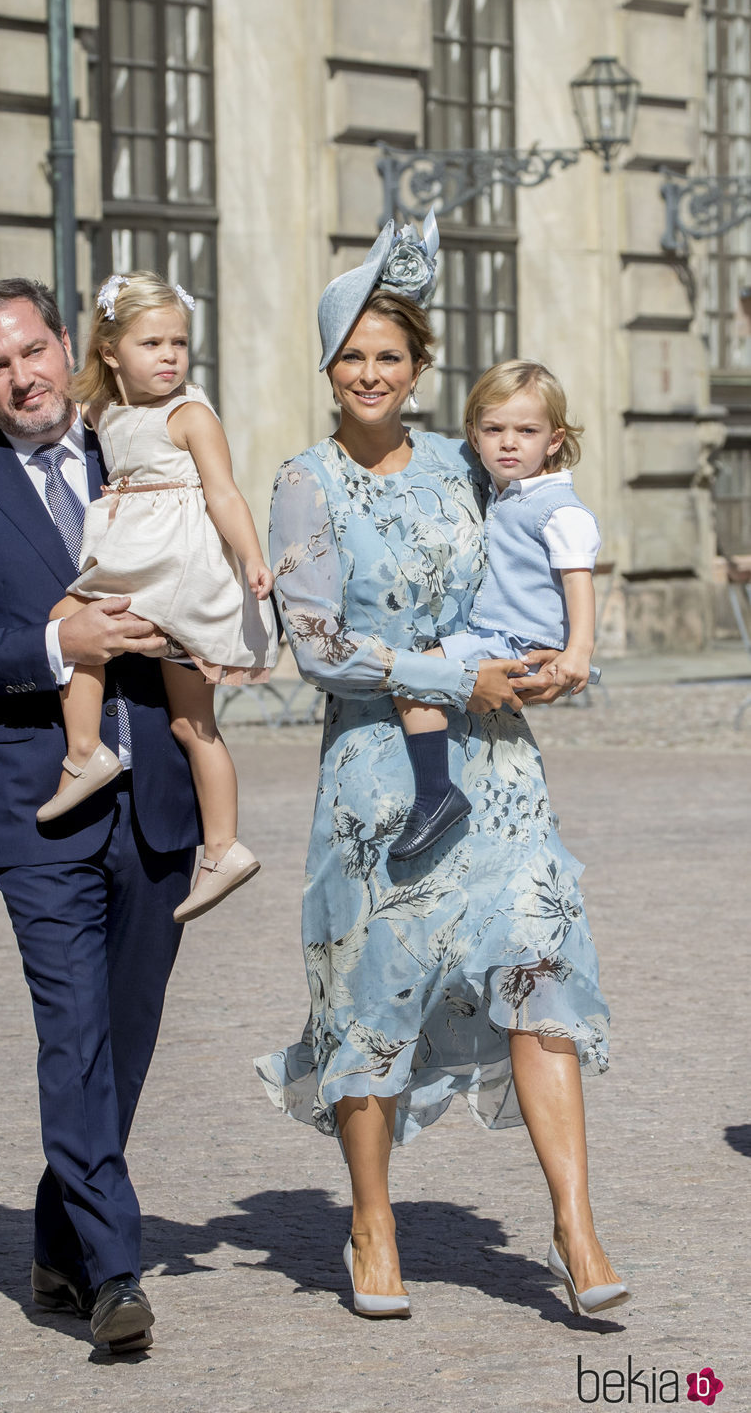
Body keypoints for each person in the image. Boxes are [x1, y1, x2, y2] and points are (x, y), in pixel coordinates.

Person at [255, 218, 630, 1322]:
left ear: (418, 370)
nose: (369, 373)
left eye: (390, 355)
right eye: (350, 356)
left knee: (538, 963)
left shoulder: (472, 466)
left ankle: (572, 1222)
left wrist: (562, 656)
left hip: (501, 761)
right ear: (327, 370)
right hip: (378, 771)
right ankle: (371, 1222)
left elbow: (544, 536)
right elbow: (315, 645)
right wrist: (442, 674)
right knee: (374, 996)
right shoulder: (303, 482)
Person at [0, 277, 202, 1354]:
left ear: (69, 346)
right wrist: (54, 647)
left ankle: (55, 1236)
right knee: (71, 1032)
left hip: (161, 789)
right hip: (38, 805)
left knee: (122, 1039)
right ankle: (116, 1274)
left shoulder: (144, 447)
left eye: (32, 351)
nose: (20, 377)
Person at [36, 270, 279, 924]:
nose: (169, 355)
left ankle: (86, 752)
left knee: (70, 619)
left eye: (178, 342)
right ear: (111, 351)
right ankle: (223, 847)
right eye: (151, 343)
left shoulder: (189, 413)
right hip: (146, 559)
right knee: (190, 721)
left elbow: (223, 493)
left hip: (172, 567)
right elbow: (54, 408)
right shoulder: (102, 410)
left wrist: (252, 558)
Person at [389, 358, 602, 861]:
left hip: (514, 639)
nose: (509, 442)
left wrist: (577, 653)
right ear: (473, 435)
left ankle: (435, 793)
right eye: (494, 429)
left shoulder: (559, 509)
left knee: (416, 673)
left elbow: (579, 583)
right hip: (502, 633)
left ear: (554, 440)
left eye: (526, 431)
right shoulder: (507, 495)